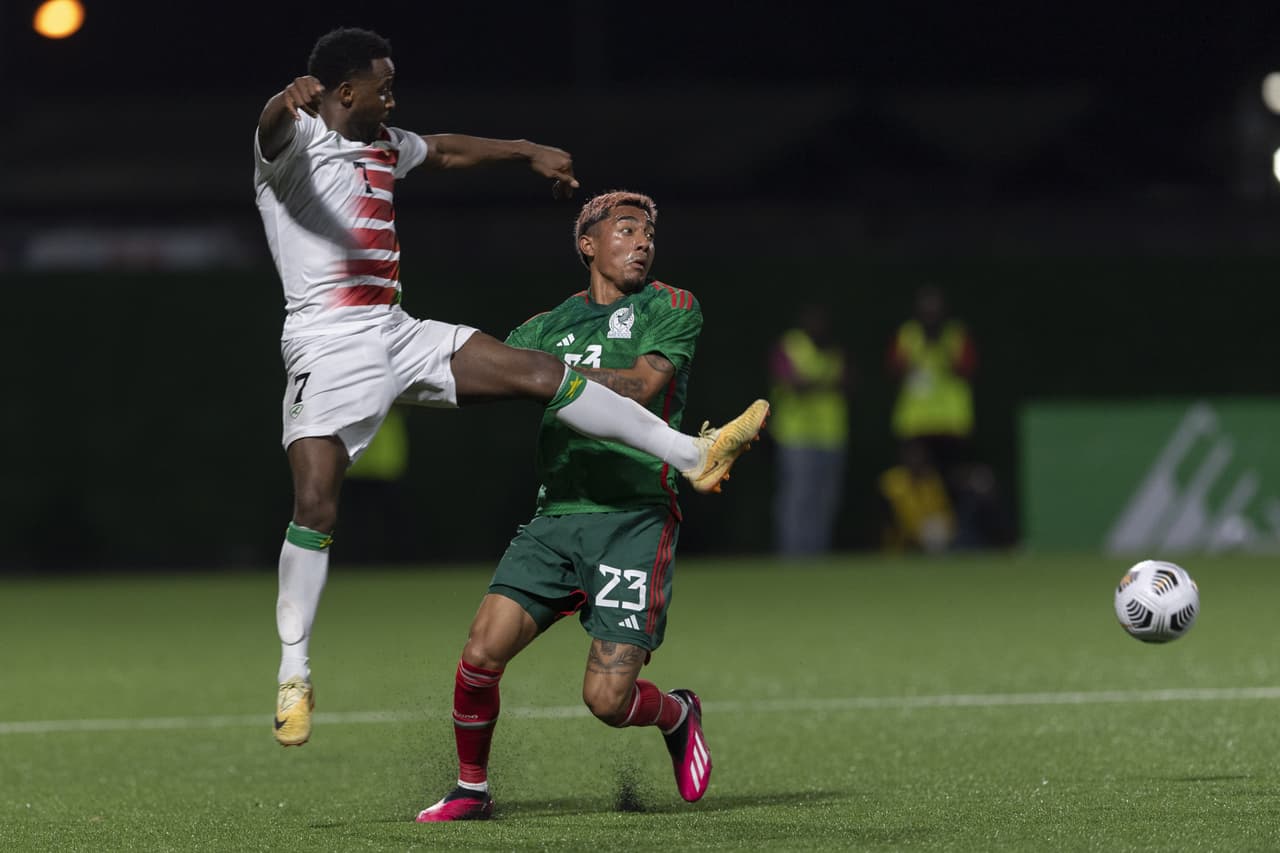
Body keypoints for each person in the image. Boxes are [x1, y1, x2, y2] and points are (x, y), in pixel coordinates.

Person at [255, 28, 770, 748]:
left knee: (540, 373)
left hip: (395, 331)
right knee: (315, 499)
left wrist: (527, 153)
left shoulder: (382, 142)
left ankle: (693, 453)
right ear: (345, 92)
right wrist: (284, 101)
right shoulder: (295, 142)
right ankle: (294, 671)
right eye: (384, 84)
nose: (393, 96)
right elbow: (269, 131)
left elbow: (447, 148)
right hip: (326, 346)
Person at [416, 191, 747, 822]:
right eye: (627, 229)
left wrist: (544, 376)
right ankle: (471, 788)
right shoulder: (545, 326)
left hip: (633, 519)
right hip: (557, 516)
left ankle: (675, 713)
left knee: (606, 700)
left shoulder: (670, 306)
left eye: (649, 232)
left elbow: (646, 385)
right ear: (588, 245)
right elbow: (491, 375)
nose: (643, 241)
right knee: (481, 651)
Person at [767, 304, 850, 555]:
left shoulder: (834, 352)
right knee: (797, 497)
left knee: (826, 500)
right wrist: (826, 384)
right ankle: (792, 554)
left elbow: (850, 383)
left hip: (831, 435)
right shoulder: (791, 346)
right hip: (796, 436)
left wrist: (814, 383)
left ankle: (817, 554)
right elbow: (793, 384)